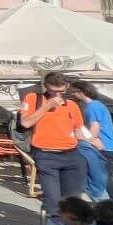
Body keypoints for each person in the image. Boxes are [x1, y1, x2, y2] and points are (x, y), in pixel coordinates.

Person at [21, 71, 89, 215]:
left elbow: (78, 132)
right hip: (46, 154)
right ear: (45, 87)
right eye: (53, 91)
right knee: (53, 202)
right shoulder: (33, 98)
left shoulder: (72, 105)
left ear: (67, 87)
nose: (57, 96)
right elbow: (26, 123)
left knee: (72, 204)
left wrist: (92, 143)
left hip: (72, 155)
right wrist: (46, 106)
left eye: (61, 91)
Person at [69, 80, 113, 204]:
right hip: (109, 145)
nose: (73, 95)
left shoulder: (93, 106)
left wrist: (87, 140)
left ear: (81, 92)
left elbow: (95, 127)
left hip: (104, 146)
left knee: (103, 176)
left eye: (74, 92)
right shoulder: (97, 105)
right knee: (104, 175)